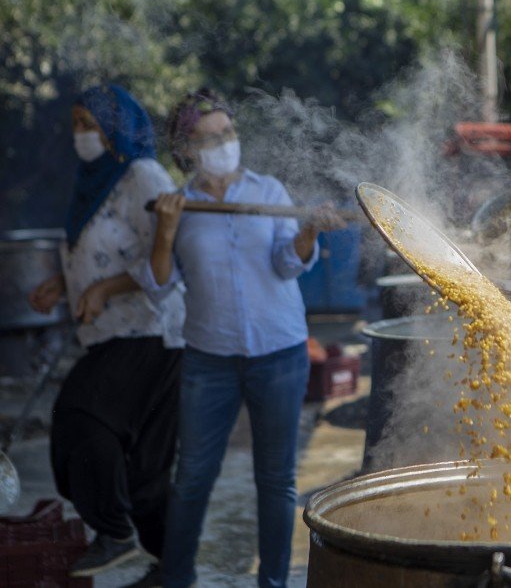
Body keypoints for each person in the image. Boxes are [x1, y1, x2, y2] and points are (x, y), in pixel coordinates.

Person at [137, 89, 342, 588]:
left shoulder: (268, 192)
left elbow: (285, 263)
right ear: (186, 150)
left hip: (280, 354)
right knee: (191, 479)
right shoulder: (177, 205)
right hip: (209, 360)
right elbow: (159, 285)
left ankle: (272, 583)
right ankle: (176, 577)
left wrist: (309, 230)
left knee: (276, 482)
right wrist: (165, 232)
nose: (222, 143)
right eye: (207, 137)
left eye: (226, 132)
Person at [27, 84, 185, 585]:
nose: (80, 135)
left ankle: (114, 533)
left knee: (80, 418)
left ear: (116, 130)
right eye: (75, 123)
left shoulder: (142, 175)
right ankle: (171, 567)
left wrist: (103, 288)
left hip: (152, 332)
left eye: (89, 125)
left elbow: (167, 263)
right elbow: (101, 250)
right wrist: (64, 283)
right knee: (144, 473)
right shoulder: (91, 181)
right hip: (112, 334)